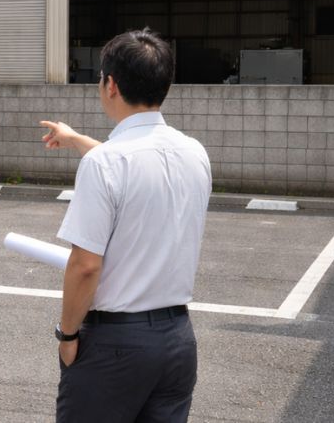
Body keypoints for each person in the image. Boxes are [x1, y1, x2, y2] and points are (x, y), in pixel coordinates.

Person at [39, 28, 211, 423]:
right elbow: (134, 167)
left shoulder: (105, 164)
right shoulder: (194, 153)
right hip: (177, 341)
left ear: (111, 85)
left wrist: (67, 336)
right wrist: (76, 139)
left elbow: (85, 266)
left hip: (115, 346)